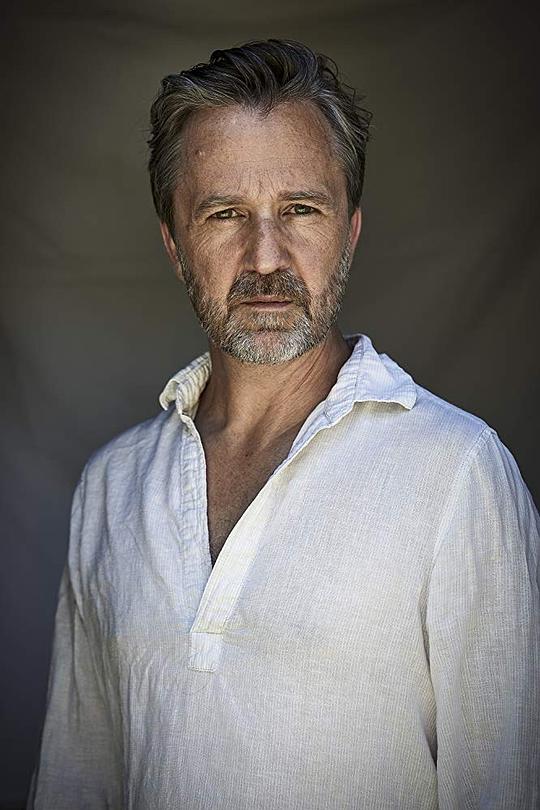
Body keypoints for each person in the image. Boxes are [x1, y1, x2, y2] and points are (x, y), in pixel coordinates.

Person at [28, 39, 539, 810]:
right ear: (175, 244)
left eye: (301, 209)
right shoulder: (111, 486)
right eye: (225, 214)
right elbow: (77, 784)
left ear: (350, 231)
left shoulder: (458, 474)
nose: (265, 257)